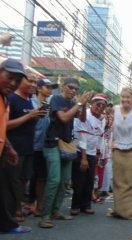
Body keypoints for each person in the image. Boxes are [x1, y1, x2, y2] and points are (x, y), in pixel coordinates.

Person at [39, 78, 92, 228]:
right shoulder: (57, 98)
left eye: (76, 89)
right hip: (52, 143)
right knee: (55, 180)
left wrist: (84, 103)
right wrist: (79, 103)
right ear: (63, 86)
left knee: (65, 181)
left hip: (66, 145)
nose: (73, 90)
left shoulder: (72, 102)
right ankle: (45, 215)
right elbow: (63, 118)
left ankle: (55, 211)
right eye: (71, 87)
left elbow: (82, 118)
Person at [7, 72, 47, 222]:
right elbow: (5, 125)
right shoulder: (11, 99)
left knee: (23, 180)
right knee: (13, 181)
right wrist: (29, 116)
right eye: (30, 81)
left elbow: (28, 125)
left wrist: (36, 118)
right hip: (13, 148)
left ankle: (17, 208)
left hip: (29, 147)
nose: (33, 85)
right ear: (20, 81)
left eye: (35, 82)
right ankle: (11, 213)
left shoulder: (30, 101)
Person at [0, 58, 32, 234]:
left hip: (4, 151)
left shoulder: (5, 99)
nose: (13, 83)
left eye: (17, 80)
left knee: (7, 190)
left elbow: (1, 128)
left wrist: (8, 148)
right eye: (9, 77)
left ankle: (7, 224)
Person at [111, 87, 132, 219]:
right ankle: (119, 210)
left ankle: (131, 212)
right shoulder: (114, 109)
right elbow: (110, 126)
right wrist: (112, 141)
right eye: (123, 97)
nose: (125, 100)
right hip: (118, 151)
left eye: (128, 97)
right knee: (118, 182)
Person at [70, 94, 107, 216]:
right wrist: (84, 158)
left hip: (92, 154)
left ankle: (86, 205)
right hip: (81, 152)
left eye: (103, 105)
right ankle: (75, 206)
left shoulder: (102, 119)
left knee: (89, 181)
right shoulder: (85, 115)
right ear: (92, 104)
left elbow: (100, 138)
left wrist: (98, 155)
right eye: (98, 104)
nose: (100, 107)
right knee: (79, 180)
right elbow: (82, 137)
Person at [27, 79, 58, 217]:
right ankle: (28, 203)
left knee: (41, 177)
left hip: (44, 146)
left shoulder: (49, 105)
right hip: (29, 146)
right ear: (39, 89)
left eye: (52, 87)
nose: (50, 89)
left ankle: (39, 205)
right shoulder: (31, 103)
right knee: (26, 177)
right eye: (48, 87)